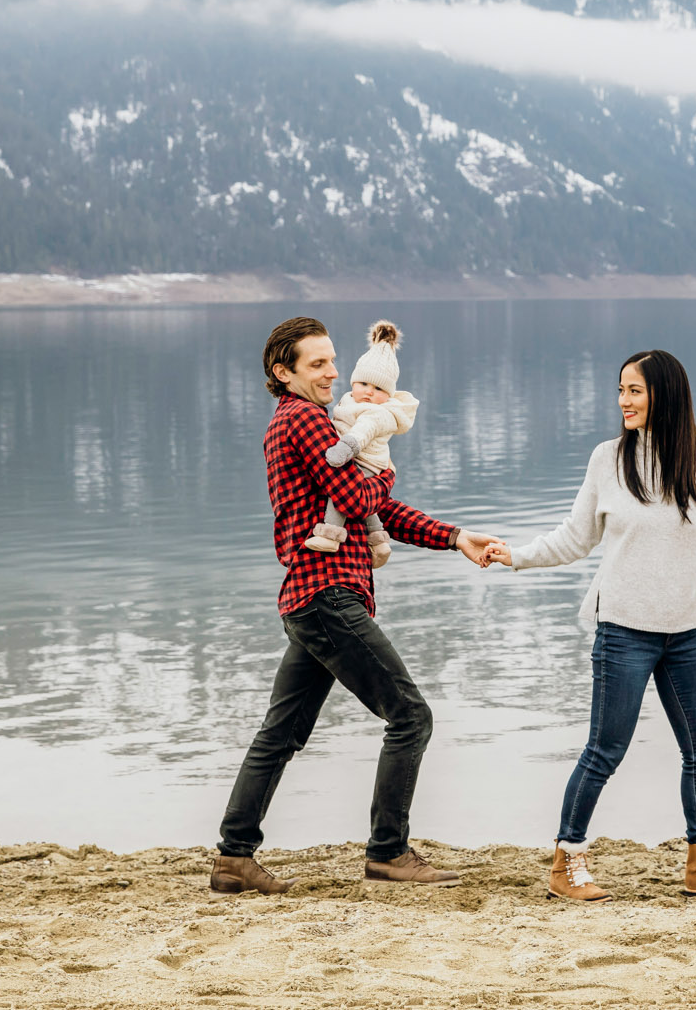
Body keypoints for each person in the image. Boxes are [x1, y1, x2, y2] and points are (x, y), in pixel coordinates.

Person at [211, 316, 501, 896]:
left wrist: (453, 535)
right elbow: (355, 494)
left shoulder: (322, 423)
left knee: (281, 733)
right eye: (317, 363)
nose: (333, 372)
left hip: (312, 597)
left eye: (332, 360)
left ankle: (233, 857)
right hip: (326, 596)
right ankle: (388, 852)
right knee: (410, 716)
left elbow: (367, 507)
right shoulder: (304, 419)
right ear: (283, 371)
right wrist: (385, 474)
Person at [485, 349, 696, 901]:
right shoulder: (608, 460)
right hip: (622, 630)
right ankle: (567, 862)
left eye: (634, 391)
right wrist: (514, 556)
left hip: (685, 633)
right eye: (620, 391)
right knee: (605, 749)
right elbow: (575, 537)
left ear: (665, 393)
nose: (623, 402)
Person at [304, 320, 416, 569]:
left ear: (388, 394)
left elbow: (363, 432)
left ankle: (329, 535)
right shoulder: (349, 401)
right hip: (361, 458)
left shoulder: (379, 413)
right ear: (353, 383)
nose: (368, 392)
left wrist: (343, 449)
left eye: (378, 388)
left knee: (341, 494)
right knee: (365, 502)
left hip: (364, 458)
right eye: (363, 384)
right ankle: (378, 541)